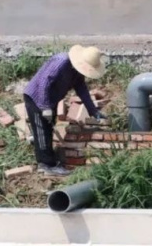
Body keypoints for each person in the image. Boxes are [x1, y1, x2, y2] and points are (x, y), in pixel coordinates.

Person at [24, 45, 106, 176]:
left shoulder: (77, 72)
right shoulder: (61, 62)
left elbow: (82, 90)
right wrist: (45, 107)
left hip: (51, 99)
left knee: (49, 128)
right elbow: (45, 82)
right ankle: (46, 165)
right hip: (36, 96)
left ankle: (42, 148)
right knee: (42, 129)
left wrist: (93, 110)